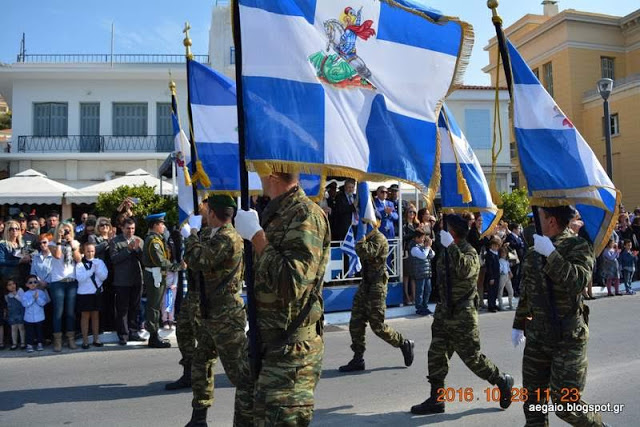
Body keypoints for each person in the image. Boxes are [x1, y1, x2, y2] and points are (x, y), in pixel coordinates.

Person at [234, 171, 330, 426]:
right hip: (263, 344)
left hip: (290, 354)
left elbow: (292, 284)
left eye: (260, 165)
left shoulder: (305, 215)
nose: (256, 171)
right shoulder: (276, 213)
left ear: (273, 172)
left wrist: (257, 237)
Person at [511, 205, 606, 426]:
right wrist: (518, 324)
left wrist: (552, 255)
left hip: (568, 337)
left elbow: (578, 282)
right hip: (538, 337)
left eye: (540, 217)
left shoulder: (578, 246)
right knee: (533, 405)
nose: (536, 222)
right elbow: (528, 292)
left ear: (551, 221)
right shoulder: (535, 251)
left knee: (566, 406)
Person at [411, 214, 514, 415]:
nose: (441, 232)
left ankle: (502, 380)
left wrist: (451, 247)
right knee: (436, 355)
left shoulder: (469, 253)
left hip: (463, 314)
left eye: (445, 228)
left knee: (472, 358)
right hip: (444, 312)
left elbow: (464, 270)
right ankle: (436, 399)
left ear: (453, 233)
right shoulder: (445, 252)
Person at [183, 195, 252, 426]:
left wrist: (191, 236)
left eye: (206, 211)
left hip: (225, 316)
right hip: (209, 312)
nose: (203, 214)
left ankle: (251, 418)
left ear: (213, 213)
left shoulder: (228, 237)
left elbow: (198, 259)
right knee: (201, 362)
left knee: (240, 374)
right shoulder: (214, 235)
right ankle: (199, 417)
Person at [338, 220, 415, 373]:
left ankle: (404, 343)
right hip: (365, 284)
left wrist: (360, 238)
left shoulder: (379, 239)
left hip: (377, 286)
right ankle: (358, 358)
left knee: (377, 326)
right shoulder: (368, 238)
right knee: (356, 321)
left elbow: (364, 252)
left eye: (366, 223)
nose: (363, 227)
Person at [165, 200, 209, 392]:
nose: (200, 211)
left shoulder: (213, 233)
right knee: (183, 331)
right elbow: (187, 261)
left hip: (206, 293)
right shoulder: (198, 230)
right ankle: (188, 372)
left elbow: (200, 259)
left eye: (203, 207)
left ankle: (208, 376)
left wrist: (193, 236)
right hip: (192, 291)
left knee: (206, 339)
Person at [142, 212, 183, 348]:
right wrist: (177, 266)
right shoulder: (153, 241)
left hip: (158, 274)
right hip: (155, 275)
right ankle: (153, 337)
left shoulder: (157, 239)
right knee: (154, 307)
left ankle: (154, 335)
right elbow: (160, 261)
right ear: (155, 225)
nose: (164, 226)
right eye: (161, 223)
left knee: (156, 305)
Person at [110, 218, 145, 346]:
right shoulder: (115, 241)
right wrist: (128, 250)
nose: (130, 231)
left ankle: (134, 332)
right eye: (128, 228)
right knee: (122, 310)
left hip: (136, 280)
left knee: (135, 308)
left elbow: (144, 260)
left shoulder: (139, 240)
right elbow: (114, 259)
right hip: (122, 281)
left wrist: (137, 250)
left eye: (132, 228)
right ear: (122, 228)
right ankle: (123, 335)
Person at [50, 222, 82, 352]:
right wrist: (59, 241)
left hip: (71, 280)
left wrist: (72, 244)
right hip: (58, 281)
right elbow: (57, 256)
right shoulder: (52, 244)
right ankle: (57, 340)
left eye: (68, 231)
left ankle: (70, 338)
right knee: (58, 312)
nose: (66, 233)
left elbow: (78, 259)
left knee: (70, 312)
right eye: (63, 230)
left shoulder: (75, 243)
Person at [75, 243, 108, 349]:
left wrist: (96, 268)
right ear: (84, 252)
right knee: (85, 317)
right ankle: (85, 341)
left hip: (96, 293)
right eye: (88, 251)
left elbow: (103, 277)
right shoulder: (80, 264)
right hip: (84, 293)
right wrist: (91, 271)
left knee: (95, 316)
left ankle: (96, 339)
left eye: (92, 251)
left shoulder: (99, 262)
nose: (90, 253)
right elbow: (80, 278)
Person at [409, 229, 435, 316]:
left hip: (427, 272)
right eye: (422, 238)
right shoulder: (414, 248)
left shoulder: (423, 246)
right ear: (416, 238)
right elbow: (423, 256)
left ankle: (425, 306)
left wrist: (429, 248)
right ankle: (419, 308)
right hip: (419, 273)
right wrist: (427, 247)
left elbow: (432, 255)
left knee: (428, 290)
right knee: (420, 291)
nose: (423, 239)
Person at [22, 274, 50, 352]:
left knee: (39, 331)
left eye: (35, 282)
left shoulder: (41, 292)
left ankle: (40, 343)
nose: (33, 284)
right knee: (29, 332)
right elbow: (25, 304)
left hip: (39, 317)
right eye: (30, 282)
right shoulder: (25, 294)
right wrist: (33, 299)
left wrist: (37, 298)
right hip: (29, 318)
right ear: (27, 285)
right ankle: (29, 345)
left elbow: (43, 303)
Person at [0, 220, 32, 286]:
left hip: (23, 274)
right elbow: (1, 260)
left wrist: (29, 257)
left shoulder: (22, 243)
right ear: (7, 231)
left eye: (17, 228)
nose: (15, 230)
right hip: (10, 276)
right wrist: (18, 261)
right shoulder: (3, 244)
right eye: (12, 229)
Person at [402, 204, 420, 305]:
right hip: (406, 251)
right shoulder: (404, 224)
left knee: (413, 275)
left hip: (416, 251)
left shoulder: (417, 224)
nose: (412, 214)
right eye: (410, 212)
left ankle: (414, 296)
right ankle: (407, 296)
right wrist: (413, 234)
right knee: (406, 275)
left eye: (414, 212)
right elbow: (403, 237)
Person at [5, 279, 26, 350]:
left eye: (13, 284)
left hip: (20, 312)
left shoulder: (20, 290)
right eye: (9, 285)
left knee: (21, 328)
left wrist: (16, 295)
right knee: (13, 328)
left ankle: (23, 342)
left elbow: (23, 301)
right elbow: (8, 304)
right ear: (6, 287)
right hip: (12, 314)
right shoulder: (7, 295)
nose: (12, 286)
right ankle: (14, 343)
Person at [505, 223, 525, 296]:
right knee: (514, 274)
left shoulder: (519, 237)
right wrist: (520, 244)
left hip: (520, 257)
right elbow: (512, 245)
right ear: (514, 229)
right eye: (518, 228)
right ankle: (512, 290)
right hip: (514, 258)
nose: (519, 230)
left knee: (519, 274)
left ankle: (517, 289)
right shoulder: (510, 236)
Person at [484, 236, 501, 312]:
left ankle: (493, 304)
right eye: (494, 245)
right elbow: (489, 267)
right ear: (491, 246)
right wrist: (491, 277)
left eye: (497, 246)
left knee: (495, 290)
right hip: (492, 276)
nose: (495, 247)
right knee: (491, 291)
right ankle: (490, 306)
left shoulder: (496, 253)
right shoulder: (489, 254)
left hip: (497, 275)